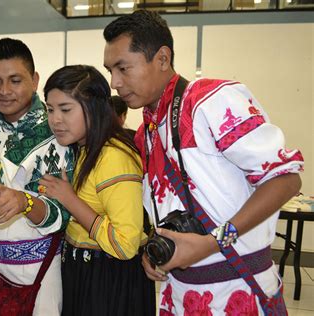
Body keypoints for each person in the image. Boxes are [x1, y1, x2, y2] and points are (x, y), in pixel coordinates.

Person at [103, 10, 303, 315]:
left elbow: (285, 180)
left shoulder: (211, 101)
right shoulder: (146, 133)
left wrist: (212, 242)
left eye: (123, 68)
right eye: (110, 71)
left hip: (239, 291)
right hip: (179, 294)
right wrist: (153, 250)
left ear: (162, 58)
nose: (115, 82)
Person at [38, 65, 155, 316]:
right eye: (50, 109)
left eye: (66, 109)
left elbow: (125, 245)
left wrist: (70, 200)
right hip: (83, 273)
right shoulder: (81, 148)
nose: (55, 119)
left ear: (93, 107)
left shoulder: (113, 157)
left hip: (108, 281)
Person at [0, 38, 72, 315]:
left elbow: (64, 212)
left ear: (34, 80)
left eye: (15, 80)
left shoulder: (58, 133)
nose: (3, 91)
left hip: (38, 273)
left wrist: (24, 202)